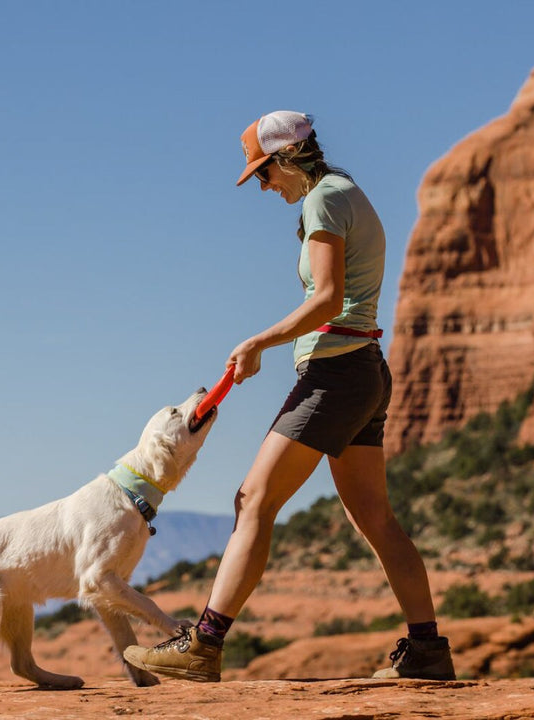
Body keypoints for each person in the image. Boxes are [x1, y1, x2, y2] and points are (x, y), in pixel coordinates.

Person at [123, 111, 454, 682]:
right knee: (375, 517)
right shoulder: (346, 193)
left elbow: (327, 299)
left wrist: (259, 343)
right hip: (365, 371)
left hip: (336, 373)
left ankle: (203, 644)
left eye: (262, 173)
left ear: (285, 159)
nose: (262, 185)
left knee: (253, 500)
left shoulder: (323, 200)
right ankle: (427, 649)